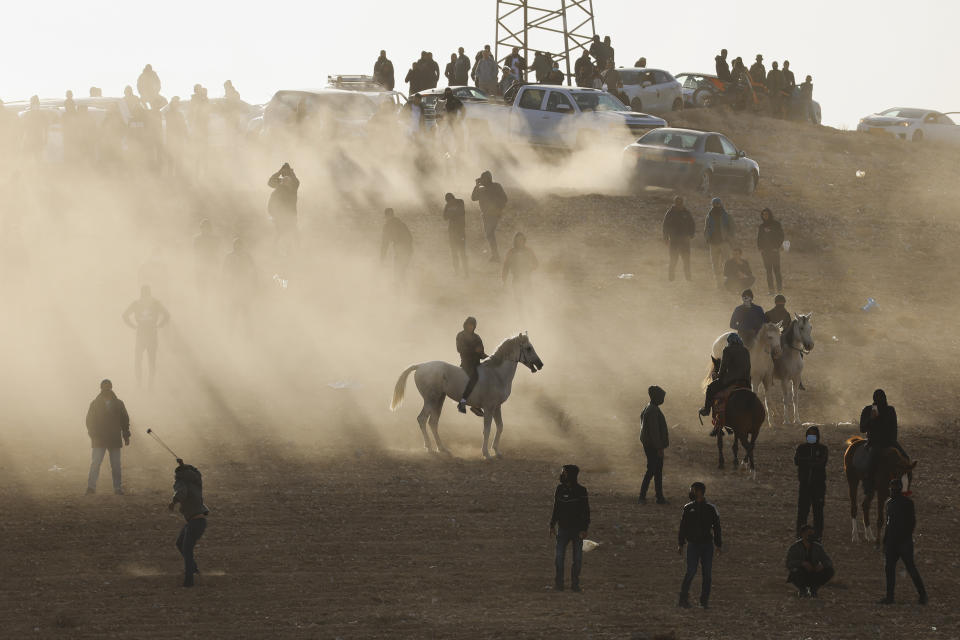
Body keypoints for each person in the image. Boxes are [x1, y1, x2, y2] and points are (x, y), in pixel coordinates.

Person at [879, 478, 927, 605]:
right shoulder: (904, 503)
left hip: (898, 542)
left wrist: (887, 541)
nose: (892, 490)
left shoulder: (893, 503)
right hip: (900, 542)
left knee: (893, 569)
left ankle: (891, 597)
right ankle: (922, 596)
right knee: (906, 568)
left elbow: (892, 524)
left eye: (893, 489)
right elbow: (910, 523)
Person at [677, 482, 722, 608]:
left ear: (700, 492)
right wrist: (681, 543)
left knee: (707, 574)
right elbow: (683, 527)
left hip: (707, 546)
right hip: (693, 545)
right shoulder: (687, 508)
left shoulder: (711, 508)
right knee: (691, 572)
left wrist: (718, 544)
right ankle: (683, 599)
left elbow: (717, 527)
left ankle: (704, 602)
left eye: (693, 490)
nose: (691, 493)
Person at [168, 459, 209, 587]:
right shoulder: (196, 481)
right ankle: (193, 568)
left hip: (194, 523)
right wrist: (183, 465)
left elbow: (181, 493)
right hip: (199, 521)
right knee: (180, 544)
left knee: (187, 550)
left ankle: (189, 581)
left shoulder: (180, 482)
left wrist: (173, 502)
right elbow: (195, 472)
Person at [85, 379, 131, 495]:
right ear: (101, 388)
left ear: (111, 388)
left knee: (115, 465)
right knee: (96, 463)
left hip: (113, 438)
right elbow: (89, 421)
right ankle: (91, 487)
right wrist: (93, 435)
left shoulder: (118, 403)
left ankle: (117, 488)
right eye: (104, 388)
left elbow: (125, 421)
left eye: (108, 387)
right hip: (99, 439)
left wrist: (126, 435)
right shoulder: (95, 404)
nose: (106, 390)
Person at [550, 464, 590, 592]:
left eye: (564, 473)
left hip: (577, 530)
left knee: (577, 559)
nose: (562, 475)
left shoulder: (582, 491)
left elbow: (586, 512)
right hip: (563, 529)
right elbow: (556, 508)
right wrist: (552, 525)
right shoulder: (559, 489)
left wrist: (584, 529)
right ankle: (559, 584)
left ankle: (575, 584)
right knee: (559, 557)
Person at [859, 389, 908, 492]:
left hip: (889, 442)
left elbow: (894, 428)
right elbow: (862, 429)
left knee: (905, 459)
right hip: (874, 442)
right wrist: (871, 419)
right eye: (877, 398)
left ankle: (905, 488)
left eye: (881, 398)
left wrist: (893, 442)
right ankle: (868, 486)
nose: (880, 400)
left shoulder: (890, 410)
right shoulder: (868, 410)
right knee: (871, 462)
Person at [123, 285, 170, 390]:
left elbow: (125, 315)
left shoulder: (137, 304)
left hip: (142, 333)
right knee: (150, 360)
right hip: (151, 333)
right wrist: (159, 324)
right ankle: (149, 385)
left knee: (139, 360)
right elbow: (167, 315)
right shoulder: (155, 303)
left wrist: (133, 325)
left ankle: (141, 384)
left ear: (141, 293)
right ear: (149, 293)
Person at [700, 333, 751, 418]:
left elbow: (723, 368)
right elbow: (748, 367)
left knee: (710, 388)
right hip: (745, 381)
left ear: (729, 342)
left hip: (731, 380)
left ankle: (706, 410)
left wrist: (718, 376)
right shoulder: (746, 350)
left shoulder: (727, 350)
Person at [794, 426, 828, 539]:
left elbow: (821, 463)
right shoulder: (801, 448)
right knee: (802, 512)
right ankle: (799, 535)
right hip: (804, 485)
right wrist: (811, 460)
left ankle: (818, 536)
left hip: (818, 486)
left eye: (813, 435)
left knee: (818, 513)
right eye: (809, 435)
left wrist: (807, 461)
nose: (811, 437)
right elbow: (797, 460)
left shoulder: (823, 449)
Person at [638, 386, 669, 505]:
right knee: (652, 470)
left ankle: (659, 496)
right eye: (661, 397)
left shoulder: (649, 408)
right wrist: (659, 448)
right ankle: (643, 496)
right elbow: (654, 432)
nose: (663, 400)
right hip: (653, 446)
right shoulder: (653, 410)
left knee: (656, 471)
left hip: (650, 445)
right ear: (655, 397)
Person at [785, 525, 834, 597]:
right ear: (802, 534)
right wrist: (802, 563)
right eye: (808, 533)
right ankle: (802, 590)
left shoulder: (817, 547)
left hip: (814, 572)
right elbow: (788, 563)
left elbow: (828, 561)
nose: (811, 536)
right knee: (795, 571)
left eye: (812, 533)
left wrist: (822, 565)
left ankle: (814, 589)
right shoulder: (795, 547)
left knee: (829, 570)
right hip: (801, 573)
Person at [222, 238, 258, 332]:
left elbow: (253, 269)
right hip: (234, 285)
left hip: (244, 284)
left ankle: (249, 331)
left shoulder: (247, 256)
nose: (238, 247)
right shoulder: (229, 256)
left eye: (239, 245)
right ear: (233, 246)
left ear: (242, 246)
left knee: (246, 310)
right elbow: (224, 270)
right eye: (236, 245)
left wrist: (253, 283)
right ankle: (230, 330)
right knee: (233, 309)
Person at [471, 171, 508, 262]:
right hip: (486, 214)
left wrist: (499, 209)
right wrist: (476, 186)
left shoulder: (496, 186)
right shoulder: (481, 188)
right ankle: (495, 255)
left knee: (489, 234)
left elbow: (504, 199)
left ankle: (495, 255)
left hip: (494, 214)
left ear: (488, 178)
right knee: (489, 235)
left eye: (484, 178)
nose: (483, 180)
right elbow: (473, 198)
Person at [456, 317, 487, 415]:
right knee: (475, 378)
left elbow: (481, 353)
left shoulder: (477, 337)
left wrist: (489, 358)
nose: (471, 327)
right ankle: (462, 402)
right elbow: (460, 349)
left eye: (473, 325)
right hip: (466, 363)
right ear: (466, 325)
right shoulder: (461, 335)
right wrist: (474, 350)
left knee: (488, 376)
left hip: (477, 363)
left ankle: (479, 403)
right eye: (469, 324)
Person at [662, 196, 695, 282]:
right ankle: (671, 278)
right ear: (674, 203)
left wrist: (691, 234)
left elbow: (692, 224)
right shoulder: (670, 213)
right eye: (677, 203)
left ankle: (688, 278)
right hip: (674, 241)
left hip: (685, 241)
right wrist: (665, 238)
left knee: (686, 260)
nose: (679, 205)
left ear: (682, 203)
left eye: (680, 203)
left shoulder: (687, 212)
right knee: (673, 260)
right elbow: (665, 226)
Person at [704, 198, 734, 287]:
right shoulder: (709, 216)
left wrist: (729, 238)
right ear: (712, 205)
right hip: (713, 243)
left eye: (718, 203)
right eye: (715, 204)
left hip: (724, 242)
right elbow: (706, 228)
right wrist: (707, 238)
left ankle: (728, 281)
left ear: (721, 204)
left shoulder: (727, 216)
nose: (717, 205)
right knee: (715, 263)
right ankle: (718, 282)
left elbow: (732, 228)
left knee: (727, 262)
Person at [267, 163, 300, 242]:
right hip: (280, 215)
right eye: (284, 172)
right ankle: (277, 250)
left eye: (286, 172)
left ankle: (292, 251)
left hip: (290, 215)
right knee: (281, 235)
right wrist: (279, 172)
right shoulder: (281, 183)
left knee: (291, 235)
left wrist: (291, 173)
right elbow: (270, 182)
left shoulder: (293, 185)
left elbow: (295, 181)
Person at [380, 208, 413, 282]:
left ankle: (399, 289)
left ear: (386, 216)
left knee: (398, 271)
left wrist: (382, 258)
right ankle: (404, 288)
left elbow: (384, 244)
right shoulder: (401, 223)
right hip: (408, 250)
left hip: (401, 250)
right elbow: (410, 238)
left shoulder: (387, 226)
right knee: (402, 271)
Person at [757, 208, 785, 293]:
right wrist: (760, 248)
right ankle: (771, 289)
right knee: (768, 271)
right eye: (763, 214)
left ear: (770, 215)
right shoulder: (761, 226)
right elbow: (759, 238)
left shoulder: (776, 224)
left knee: (776, 270)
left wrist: (777, 247)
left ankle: (779, 289)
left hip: (774, 251)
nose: (765, 216)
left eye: (766, 214)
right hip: (765, 252)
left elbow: (781, 236)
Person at [193, 219, 220, 297]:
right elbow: (196, 252)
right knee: (201, 287)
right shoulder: (197, 239)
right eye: (204, 227)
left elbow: (217, 252)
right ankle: (202, 300)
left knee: (213, 285)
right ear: (201, 228)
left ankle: (213, 299)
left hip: (212, 264)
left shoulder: (215, 239)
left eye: (207, 227)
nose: (206, 229)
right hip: (201, 265)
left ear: (210, 228)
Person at [443, 193, 468, 277]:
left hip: (459, 231)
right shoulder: (450, 204)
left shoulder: (460, 202)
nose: (450, 202)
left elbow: (460, 212)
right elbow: (444, 217)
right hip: (454, 232)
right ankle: (458, 272)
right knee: (456, 253)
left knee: (461, 253)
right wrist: (451, 211)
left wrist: (451, 211)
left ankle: (465, 272)